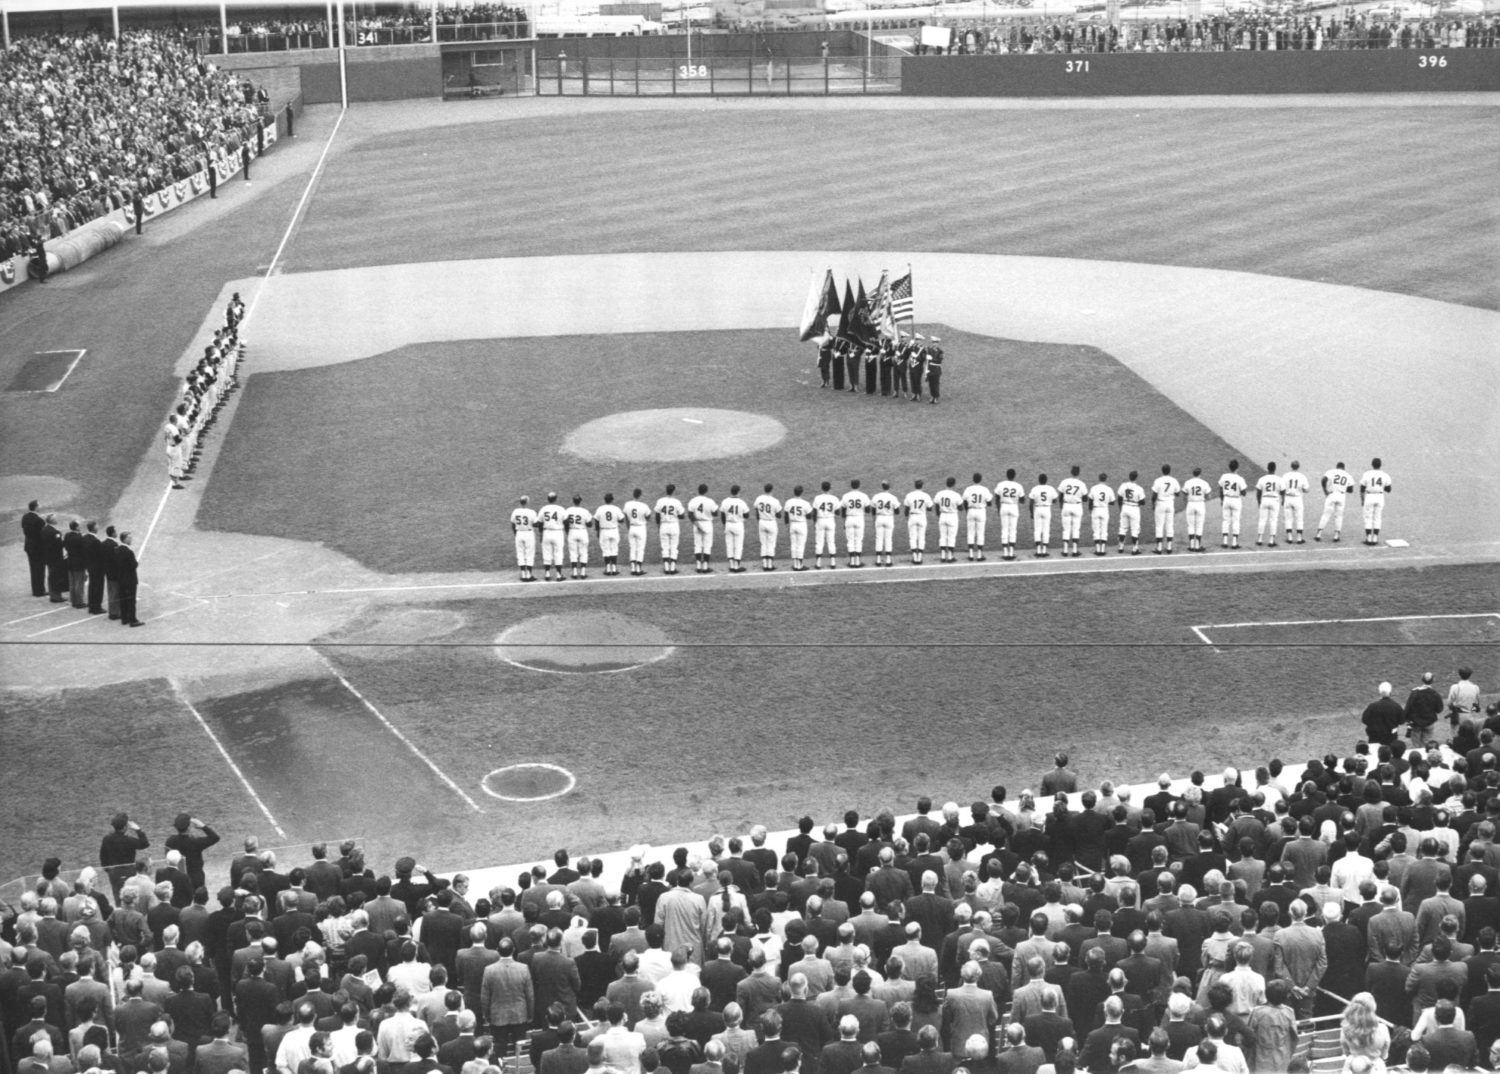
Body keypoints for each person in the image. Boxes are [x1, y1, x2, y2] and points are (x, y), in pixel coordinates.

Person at [1315, 461, 1354, 543]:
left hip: (1332, 494)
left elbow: (1323, 480)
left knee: (1326, 514)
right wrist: (1342, 488)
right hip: (1341, 496)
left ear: (1337, 467)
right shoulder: (1348, 475)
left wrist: (1325, 490)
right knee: (1339, 516)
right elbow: (1351, 490)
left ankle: (1319, 534)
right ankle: (1336, 535)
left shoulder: (1331, 471)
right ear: (1344, 468)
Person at [1358, 458, 1392, 546]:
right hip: (1380, 496)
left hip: (1369, 496)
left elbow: (1362, 488)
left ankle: (1369, 537)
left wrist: (1362, 499)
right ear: (1380, 465)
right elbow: (1388, 489)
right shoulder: (1385, 475)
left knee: (1368, 517)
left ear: (1372, 464)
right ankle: (1375, 537)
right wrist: (1380, 486)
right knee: (1377, 517)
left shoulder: (1367, 474)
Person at [1056, 467, 1087, 560]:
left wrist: (1061, 505)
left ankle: (1065, 550)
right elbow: (1085, 499)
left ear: (1071, 472)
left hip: (1066, 506)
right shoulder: (1081, 484)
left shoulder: (1065, 482)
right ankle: (1074, 550)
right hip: (1077, 506)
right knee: (1076, 529)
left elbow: (1060, 496)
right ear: (1079, 473)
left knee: (1066, 529)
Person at [994, 471, 1026, 562]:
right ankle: (1011, 552)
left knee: (1004, 529)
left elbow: (996, 498)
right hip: (1014, 507)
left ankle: (1005, 552)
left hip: (1003, 506)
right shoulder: (1018, 486)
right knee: (1013, 529)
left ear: (1006, 475)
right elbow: (1022, 500)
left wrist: (998, 509)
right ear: (1014, 476)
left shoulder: (1001, 484)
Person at [687, 485, 718, 575]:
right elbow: (715, 513)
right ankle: (705, 567)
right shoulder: (710, 501)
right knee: (707, 545)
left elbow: (690, 514)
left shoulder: (693, 501)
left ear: (698, 490)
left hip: (697, 523)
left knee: (697, 545)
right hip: (707, 523)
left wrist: (696, 524)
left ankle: (698, 566)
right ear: (706, 491)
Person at [1150, 464, 1180, 556]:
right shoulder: (1174, 480)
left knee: (1159, 526)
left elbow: (1154, 495)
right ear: (1170, 470)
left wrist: (1153, 504)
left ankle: (1159, 548)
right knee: (1169, 525)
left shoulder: (1158, 480)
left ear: (1162, 470)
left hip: (1160, 504)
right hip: (1170, 504)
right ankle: (1169, 547)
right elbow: (1178, 493)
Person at [655, 484, 685, 576]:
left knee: (665, 547)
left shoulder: (660, 501)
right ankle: (672, 568)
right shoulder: (677, 502)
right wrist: (676, 514)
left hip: (663, 525)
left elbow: (657, 515)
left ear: (666, 490)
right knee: (674, 546)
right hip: (674, 525)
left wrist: (658, 525)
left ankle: (666, 567)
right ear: (673, 491)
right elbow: (682, 515)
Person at [961, 474, 992, 562]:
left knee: (970, 533)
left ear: (973, 479)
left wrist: (968, 511)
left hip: (971, 511)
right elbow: (989, 502)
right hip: (981, 511)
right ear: (980, 479)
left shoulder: (968, 489)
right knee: (980, 533)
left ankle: (970, 554)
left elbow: (964, 502)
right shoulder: (984, 489)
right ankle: (979, 555)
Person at [1180, 469, 1212, 554]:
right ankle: (1197, 546)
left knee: (1190, 525)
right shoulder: (1204, 483)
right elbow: (1209, 496)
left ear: (1193, 474)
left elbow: (1184, 494)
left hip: (1190, 504)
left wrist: (1186, 502)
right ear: (1200, 474)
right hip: (1200, 504)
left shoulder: (1188, 482)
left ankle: (1191, 545)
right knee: (1199, 526)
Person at [1216, 460, 1246, 550]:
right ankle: (1234, 543)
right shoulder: (1240, 478)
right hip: (1236, 500)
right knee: (1236, 521)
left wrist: (1222, 499)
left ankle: (1225, 542)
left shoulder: (1224, 476)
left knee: (1226, 520)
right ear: (1237, 468)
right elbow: (1244, 493)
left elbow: (1220, 489)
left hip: (1226, 499)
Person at [870, 482, 901, 569]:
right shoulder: (893, 497)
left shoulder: (876, 496)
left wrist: (874, 519)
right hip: (889, 518)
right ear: (889, 487)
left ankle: (878, 560)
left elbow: (872, 510)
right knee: (888, 539)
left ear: (882, 487)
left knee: (878, 539)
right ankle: (888, 560)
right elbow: (897, 511)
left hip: (879, 518)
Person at [594, 493, 625, 577]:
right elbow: (622, 519)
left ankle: (608, 568)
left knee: (606, 550)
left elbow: (596, 521)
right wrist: (616, 521)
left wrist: (597, 531)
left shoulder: (600, 509)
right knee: (614, 549)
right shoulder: (616, 509)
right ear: (612, 500)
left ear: (605, 500)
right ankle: (614, 568)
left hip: (604, 531)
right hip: (614, 530)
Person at [537, 493, 566, 583]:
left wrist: (541, 533)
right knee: (558, 553)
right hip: (558, 533)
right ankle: (558, 575)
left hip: (546, 532)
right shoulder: (560, 509)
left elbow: (540, 523)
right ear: (556, 499)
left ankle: (547, 574)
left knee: (547, 553)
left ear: (548, 499)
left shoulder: (543, 509)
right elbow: (566, 521)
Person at [842, 480, 871, 569]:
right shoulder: (863, 496)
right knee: (858, 539)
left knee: (850, 540)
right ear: (859, 485)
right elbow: (868, 510)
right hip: (859, 518)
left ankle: (852, 561)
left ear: (851, 485)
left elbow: (843, 511)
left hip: (849, 518)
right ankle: (858, 561)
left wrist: (844, 521)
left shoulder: (846, 496)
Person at [933, 478, 964, 564]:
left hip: (942, 515)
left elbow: (936, 505)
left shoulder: (940, 494)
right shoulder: (956, 495)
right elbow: (961, 508)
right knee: (951, 537)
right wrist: (955, 506)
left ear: (946, 483)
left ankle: (943, 556)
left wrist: (939, 515)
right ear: (954, 484)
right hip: (952, 516)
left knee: (943, 536)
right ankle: (950, 557)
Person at [116, 531, 143, 627]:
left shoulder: (117, 550)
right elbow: (134, 565)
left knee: (123, 599)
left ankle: (124, 618)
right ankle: (133, 620)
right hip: (130, 580)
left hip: (121, 579)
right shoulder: (129, 552)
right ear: (125, 539)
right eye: (129, 538)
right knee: (131, 600)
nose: (131, 539)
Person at [1027, 475, 1057, 559]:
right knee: (1046, 530)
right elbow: (1055, 500)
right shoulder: (1050, 488)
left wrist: (1031, 513)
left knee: (1037, 530)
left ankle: (1038, 550)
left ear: (1039, 480)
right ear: (1046, 480)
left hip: (1037, 508)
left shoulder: (1035, 488)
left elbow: (1030, 503)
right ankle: (1044, 550)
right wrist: (1049, 500)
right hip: (1047, 509)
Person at [753, 484, 782, 572]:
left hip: (762, 522)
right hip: (771, 522)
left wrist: (759, 520)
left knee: (763, 543)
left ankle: (764, 564)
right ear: (772, 490)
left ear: (764, 489)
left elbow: (756, 511)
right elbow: (779, 515)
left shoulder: (759, 498)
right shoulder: (775, 501)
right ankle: (770, 565)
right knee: (771, 544)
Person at [624, 489, 652, 577]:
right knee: (640, 549)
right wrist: (644, 519)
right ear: (640, 495)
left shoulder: (627, 504)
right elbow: (648, 516)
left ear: (633, 494)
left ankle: (632, 568)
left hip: (632, 527)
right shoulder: (644, 506)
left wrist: (628, 527)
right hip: (641, 528)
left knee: (632, 548)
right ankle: (638, 569)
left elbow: (626, 517)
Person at [21, 500, 47, 597]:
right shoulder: (39, 520)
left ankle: (35, 590)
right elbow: (42, 535)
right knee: (40, 569)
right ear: (36, 507)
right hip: (38, 548)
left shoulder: (25, 517)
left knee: (33, 568)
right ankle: (39, 590)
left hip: (29, 546)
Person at [813, 482, 841, 570]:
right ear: (830, 488)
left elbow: (814, 512)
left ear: (822, 488)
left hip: (820, 520)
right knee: (831, 541)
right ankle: (833, 562)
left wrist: (815, 522)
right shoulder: (834, 498)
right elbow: (838, 512)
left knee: (819, 542)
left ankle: (818, 563)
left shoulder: (817, 498)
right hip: (830, 520)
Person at [904, 480, 932, 566]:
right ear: (922, 486)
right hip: (922, 516)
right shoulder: (926, 495)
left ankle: (914, 556)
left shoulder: (909, 495)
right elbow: (930, 508)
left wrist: (907, 516)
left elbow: (906, 509)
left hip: (912, 516)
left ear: (914, 485)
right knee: (921, 537)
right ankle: (919, 557)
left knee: (912, 537)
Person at [1115, 472, 1145, 556]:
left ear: (1129, 477)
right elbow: (1143, 502)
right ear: (1136, 478)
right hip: (1134, 508)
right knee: (1135, 530)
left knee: (1122, 528)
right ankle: (1135, 548)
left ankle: (1121, 547)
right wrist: (1138, 502)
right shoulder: (1139, 488)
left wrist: (1121, 509)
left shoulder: (1123, 486)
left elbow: (1119, 498)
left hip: (1125, 507)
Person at [1281, 461, 1310, 544]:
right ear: (1298, 467)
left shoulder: (1285, 476)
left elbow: (1282, 489)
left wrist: (1282, 499)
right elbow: (1306, 489)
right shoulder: (1302, 476)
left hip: (1288, 498)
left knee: (1288, 518)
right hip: (1297, 498)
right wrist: (1302, 490)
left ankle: (1289, 537)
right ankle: (1299, 538)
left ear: (1291, 466)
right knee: (1299, 518)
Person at [1254, 462, 1282, 548]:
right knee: (1273, 520)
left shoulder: (1262, 479)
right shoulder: (1279, 479)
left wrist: (1259, 502)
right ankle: (1271, 540)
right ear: (1275, 469)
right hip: (1274, 500)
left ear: (1267, 468)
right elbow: (1283, 491)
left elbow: (1258, 492)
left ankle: (1259, 539)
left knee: (1262, 520)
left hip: (1264, 499)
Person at [1086, 474, 1115, 558]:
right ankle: (1103, 549)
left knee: (1096, 530)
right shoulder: (1109, 489)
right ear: (1106, 479)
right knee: (1104, 529)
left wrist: (1090, 510)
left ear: (1099, 478)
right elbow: (1113, 502)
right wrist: (1106, 502)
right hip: (1104, 510)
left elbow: (1090, 501)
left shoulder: (1094, 488)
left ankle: (1097, 549)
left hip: (1095, 509)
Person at [511, 496, 538, 583]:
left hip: (519, 533)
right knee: (529, 553)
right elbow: (535, 524)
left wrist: (515, 533)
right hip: (528, 533)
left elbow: (512, 524)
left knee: (520, 554)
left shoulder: (515, 511)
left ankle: (523, 574)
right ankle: (529, 574)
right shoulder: (531, 512)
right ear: (527, 502)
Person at [785, 486, 812, 572]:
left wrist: (787, 525)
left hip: (793, 524)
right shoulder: (805, 503)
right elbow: (809, 516)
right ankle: (799, 565)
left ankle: (795, 564)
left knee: (794, 544)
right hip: (801, 524)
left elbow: (785, 515)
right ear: (801, 492)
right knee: (800, 545)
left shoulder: (789, 502)